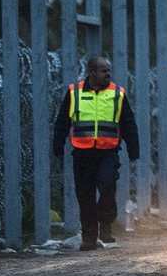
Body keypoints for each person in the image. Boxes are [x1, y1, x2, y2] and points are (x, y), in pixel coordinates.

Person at [52, 54, 140, 251]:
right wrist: (57, 144)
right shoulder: (75, 93)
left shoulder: (117, 93)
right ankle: (89, 236)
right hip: (82, 153)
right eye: (104, 71)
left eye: (109, 71)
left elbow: (128, 123)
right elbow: (62, 121)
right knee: (85, 195)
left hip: (108, 152)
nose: (108, 74)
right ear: (91, 72)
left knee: (107, 185)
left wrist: (134, 149)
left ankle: (106, 225)